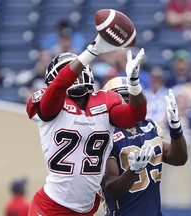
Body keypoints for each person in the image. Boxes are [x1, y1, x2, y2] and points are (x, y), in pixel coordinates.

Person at [26, 33, 147, 215]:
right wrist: (91, 51)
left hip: (88, 207)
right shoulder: (50, 102)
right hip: (51, 205)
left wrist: (134, 85)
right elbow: (58, 87)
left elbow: (135, 115)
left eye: (78, 70)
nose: (75, 75)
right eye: (69, 71)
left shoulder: (106, 100)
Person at [101, 76, 188, 216]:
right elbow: (111, 189)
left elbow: (178, 159)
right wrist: (133, 171)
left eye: (129, 97)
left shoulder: (149, 126)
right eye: (120, 98)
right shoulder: (105, 133)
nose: (126, 103)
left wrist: (175, 128)